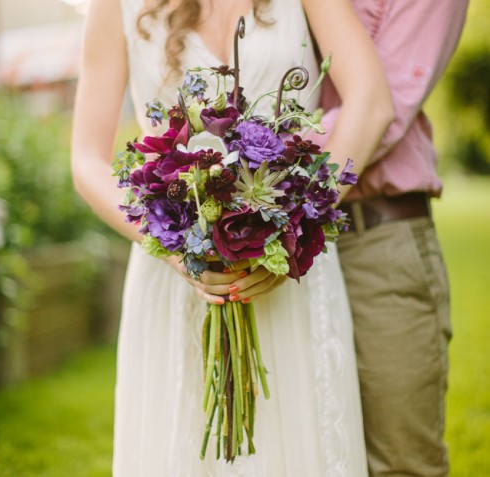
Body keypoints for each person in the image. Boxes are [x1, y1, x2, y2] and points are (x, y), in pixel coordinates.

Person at [71, 0, 393, 475]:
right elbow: (86, 159)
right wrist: (177, 247)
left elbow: (372, 101)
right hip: (174, 277)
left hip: (289, 276)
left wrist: (294, 226)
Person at [307, 1, 469, 476]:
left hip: (374, 240)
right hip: (279, 245)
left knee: (400, 464)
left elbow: (384, 110)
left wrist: (258, 157)